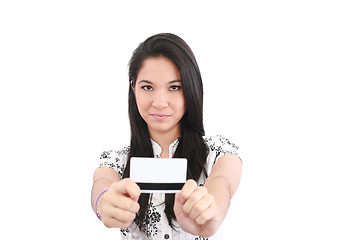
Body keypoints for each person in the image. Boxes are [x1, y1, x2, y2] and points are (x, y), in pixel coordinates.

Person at [91, 33, 242, 239]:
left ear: (191, 89)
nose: (160, 102)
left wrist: (210, 211)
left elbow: (222, 181)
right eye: (147, 87)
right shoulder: (116, 160)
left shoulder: (218, 154)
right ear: (133, 87)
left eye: (174, 87)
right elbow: (102, 182)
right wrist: (104, 202)